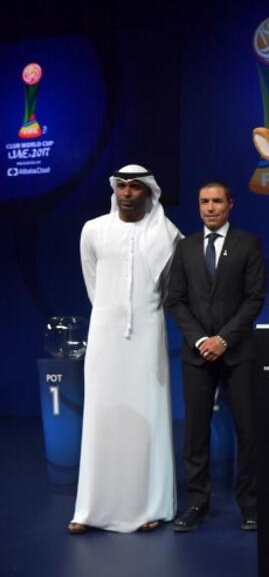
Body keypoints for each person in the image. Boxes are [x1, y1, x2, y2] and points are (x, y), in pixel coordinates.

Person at [69, 164, 182, 534]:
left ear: (149, 192)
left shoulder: (168, 234)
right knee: (102, 416)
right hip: (105, 332)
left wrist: (140, 311)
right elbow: (92, 283)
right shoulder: (93, 230)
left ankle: (152, 504)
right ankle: (90, 508)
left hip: (149, 332)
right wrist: (112, 312)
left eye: (135, 187)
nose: (128, 193)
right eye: (122, 186)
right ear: (115, 190)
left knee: (148, 413)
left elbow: (168, 290)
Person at [166, 181, 265, 532]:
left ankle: (250, 504)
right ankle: (196, 503)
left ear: (230, 204)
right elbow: (175, 299)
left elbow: (254, 299)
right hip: (197, 357)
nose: (210, 207)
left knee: (248, 431)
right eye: (204, 201)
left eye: (216, 201)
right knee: (195, 433)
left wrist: (223, 339)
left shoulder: (248, 243)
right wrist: (199, 341)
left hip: (238, 354)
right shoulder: (185, 248)